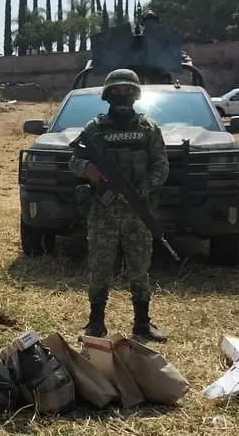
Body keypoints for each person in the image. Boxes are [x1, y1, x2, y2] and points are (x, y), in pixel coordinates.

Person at [68, 69, 169, 342]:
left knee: (139, 268)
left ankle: (142, 323)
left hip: (138, 211)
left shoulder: (148, 128)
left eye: (127, 90)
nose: (122, 95)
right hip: (103, 211)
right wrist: (88, 168)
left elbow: (161, 167)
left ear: (135, 94)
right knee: (100, 268)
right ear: (108, 94)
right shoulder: (94, 129)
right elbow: (73, 159)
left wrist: (140, 190)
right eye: (116, 90)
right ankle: (96, 323)